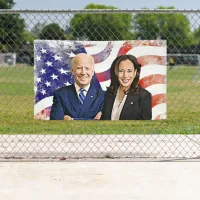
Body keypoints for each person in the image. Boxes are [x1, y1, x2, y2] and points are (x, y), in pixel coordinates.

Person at [50, 53, 105, 120]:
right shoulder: (60, 94)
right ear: (72, 71)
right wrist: (93, 120)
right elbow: (55, 123)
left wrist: (72, 120)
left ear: (92, 72)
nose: (83, 72)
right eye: (79, 68)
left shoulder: (103, 96)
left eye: (87, 68)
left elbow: (104, 124)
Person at [101, 54, 152, 120]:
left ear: (135, 72)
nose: (125, 75)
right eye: (121, 71)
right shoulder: (108, 94)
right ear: (116, 72)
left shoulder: (144, 96)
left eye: (129, 71)